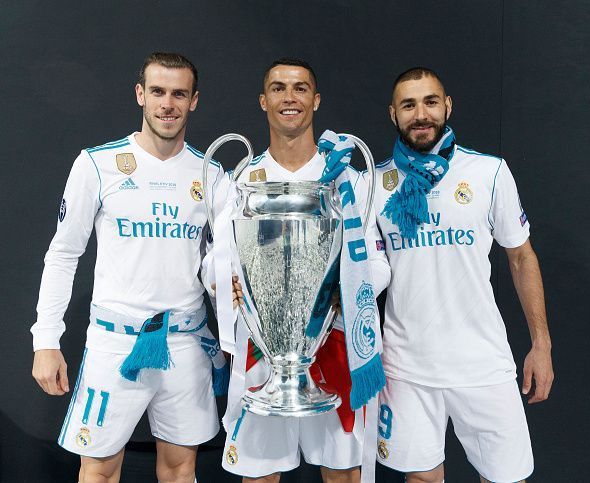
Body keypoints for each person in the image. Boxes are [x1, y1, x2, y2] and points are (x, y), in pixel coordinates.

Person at [31, 52, 228, 483]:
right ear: (140, 94)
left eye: (179, 94)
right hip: (115, 342)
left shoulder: (212, 173)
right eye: (157, 91)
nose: (167, 104)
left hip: (185, 343)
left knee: (181, 469)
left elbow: (223, 267)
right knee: (99, 470)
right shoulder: (97, 164)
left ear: (194, 101)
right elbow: (64, 253)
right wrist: (45, 339)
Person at [372, 67, 554, 483]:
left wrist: (540, 344)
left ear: (447, 106)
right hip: (406, 367)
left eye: (430, 102)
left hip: (481, 363)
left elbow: (522, 257)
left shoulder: (488, 172)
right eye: (409, 105)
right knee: (420, 479)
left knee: (506, 479)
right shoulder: (374, 182)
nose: (421, 114)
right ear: (393, 113)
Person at [214, 58, 390, 483]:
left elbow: (379, 262)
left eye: (299, 88)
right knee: (258, 476)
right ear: (263, 100)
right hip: (262, 350)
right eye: (278, 88)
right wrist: (228, 283)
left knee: (343, 473)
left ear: (315, 99)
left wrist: (343, 287)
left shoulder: (347, 179)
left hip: (334, 343)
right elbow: (214, 259)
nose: (288, 97)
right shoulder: (240, 180)